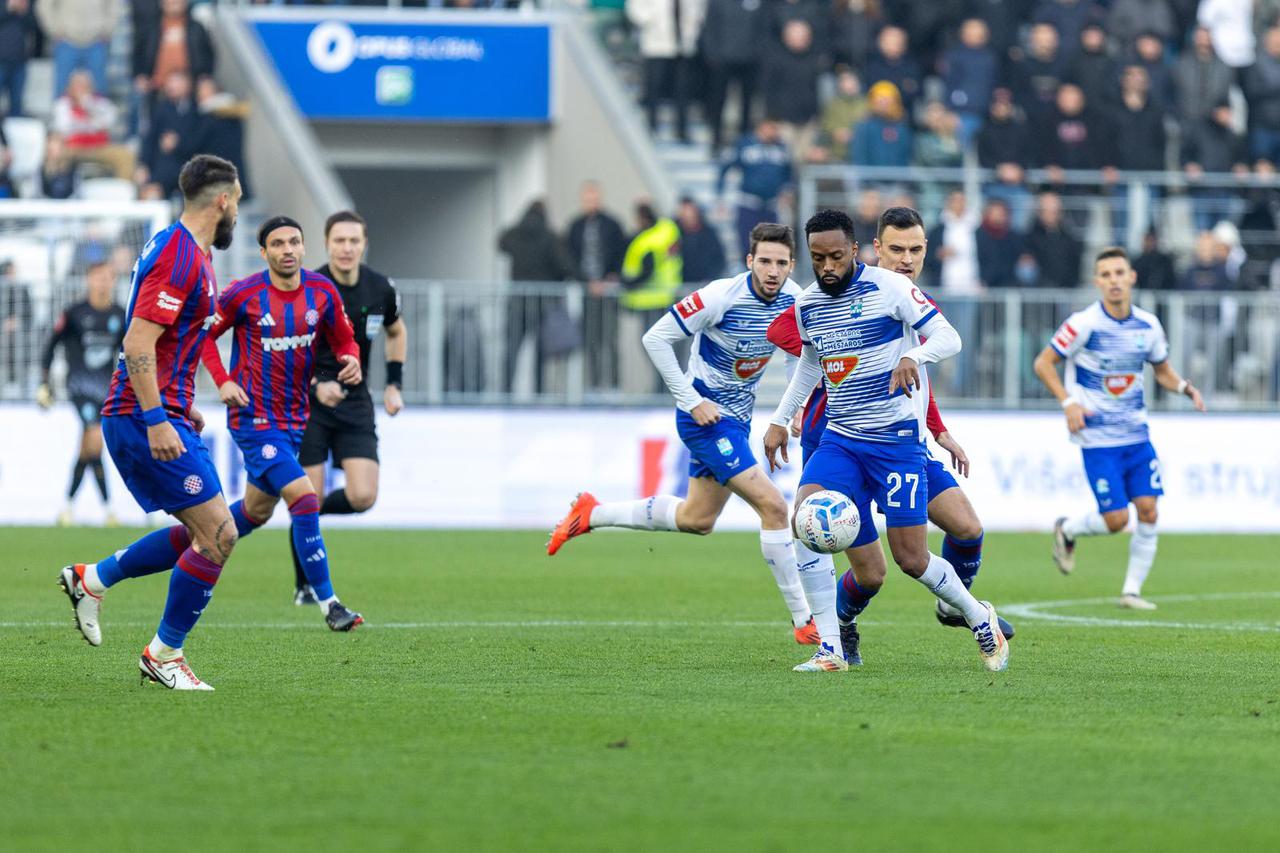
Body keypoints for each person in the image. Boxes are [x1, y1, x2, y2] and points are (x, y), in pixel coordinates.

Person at [547, 224, 838, 666]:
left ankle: (591, 513)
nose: (773, 271)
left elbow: (808, 359)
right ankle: (804, 621)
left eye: (781, 262)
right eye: (765, 261)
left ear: (791, 265)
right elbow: (656, 338)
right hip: (702, 419)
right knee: (775, 508)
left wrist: (793, 408)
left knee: (698, 518)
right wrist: (690, 398)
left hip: (737, 422)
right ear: (749, 261)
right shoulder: (719, 296)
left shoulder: (795, 303)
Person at [762, 209, 1009, 673]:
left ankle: (978, 616)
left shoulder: (890, 288)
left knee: (911, 559)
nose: (829, 266)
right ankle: (831, 649)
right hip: (841, 439)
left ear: (856, 250)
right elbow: (812, 364)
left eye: (837, 256)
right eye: (819, 259)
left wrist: (914, 356)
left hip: (896, 444)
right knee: (806, 519)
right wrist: (780, 416)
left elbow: (948, 336)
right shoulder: (808, 304)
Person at [56, 153, 243, 690]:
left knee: (201, 533)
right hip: (141, 418)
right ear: (224, 200)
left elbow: (165, 347)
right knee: (219, 535)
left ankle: (93, 580)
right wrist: (159, 417)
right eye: (237, 199)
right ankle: (164, 654)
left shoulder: (187, 251)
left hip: (160, 411)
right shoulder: (181, 256)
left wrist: (179, 405)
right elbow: (137, 342)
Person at [200, 216, 364, 630]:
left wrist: (352, 359)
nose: (287, 249)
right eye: (278, 244)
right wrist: (222, 381)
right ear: (264, 252)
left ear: (304, 248)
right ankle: (330, 604)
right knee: (306, 499)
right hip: (253, 418)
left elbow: (344, 338)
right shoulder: (244, 293)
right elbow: (203, 335)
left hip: (294, 420)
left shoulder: (322, 291)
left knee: (250, 515)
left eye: (294, 242)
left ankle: (164, 551)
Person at [1033, 246, 1206, 610]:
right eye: (1106, 275)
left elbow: (1161, 369)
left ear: (1132, 278)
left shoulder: (1148, 325)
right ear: (1097, 281)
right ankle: (1068, 528)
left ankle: (1131, 591)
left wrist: (1185, 387)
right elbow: (1044, 363)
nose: (1114, 281)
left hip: (1137, 435)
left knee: (1149, 510)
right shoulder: (1083, 324)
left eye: (1119, 273)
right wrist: (1068, 402)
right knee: (1115, 519)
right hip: (1098, 438)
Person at [290, 210, 406, 604]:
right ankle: (304, 583)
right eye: (339, 240)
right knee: (308, 495)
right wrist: (316, 385)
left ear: (364, 244)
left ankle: (307, 518)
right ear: (326, 244)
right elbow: (286, 351)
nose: (347, 248)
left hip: (356, 401)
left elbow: (396, 331)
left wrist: (394, 384)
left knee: (362, 497)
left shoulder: (380, 289)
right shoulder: (309, 288)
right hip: (308, 402)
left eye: (354, 241)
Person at [38, 260, 125, 526]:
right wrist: (45, 384)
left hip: (106, 391)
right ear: (88, 280)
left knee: (88, 450)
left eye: (107, 277)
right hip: (79, 387)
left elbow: (128, 353)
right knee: (94, 437)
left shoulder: (120, 315)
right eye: (97, 277)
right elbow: (50, 346)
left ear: (113, 281)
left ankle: (68, 506)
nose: (102, 282)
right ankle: (108, 508)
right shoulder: (75, 312)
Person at [50, 70, 136, 181]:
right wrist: (91, 125)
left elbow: (109, 121)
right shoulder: (62, 104)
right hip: (73, 147)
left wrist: (88, 105)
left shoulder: (99, 102)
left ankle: (121, 192)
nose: (79, 89)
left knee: (125, 156)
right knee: (55, 154)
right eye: (77, 85)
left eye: (83, 86)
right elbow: (63, 128)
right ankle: (59, 191)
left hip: (98, 147)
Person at [676, 197, 726, 283]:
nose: (688, 216)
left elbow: (719, 258)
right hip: (680, 283)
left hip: (703, 283)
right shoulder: (674, 233)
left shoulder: (708, 233)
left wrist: (710, 278)